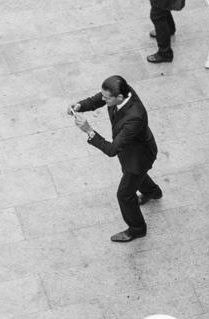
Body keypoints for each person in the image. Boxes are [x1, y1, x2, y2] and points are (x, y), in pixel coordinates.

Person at [69, 76, 161, 243]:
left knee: (125, 195)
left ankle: (137, 229)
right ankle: (152, 192)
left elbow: (111, 150)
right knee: (134, 175)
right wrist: (81, 105)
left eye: (106, 98)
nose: (103, 100)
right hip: (130, 152)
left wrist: (89, 130)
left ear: (119, 98)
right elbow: (98, 98)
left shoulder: (135, 116)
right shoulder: (123, 92)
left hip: (138, 157)